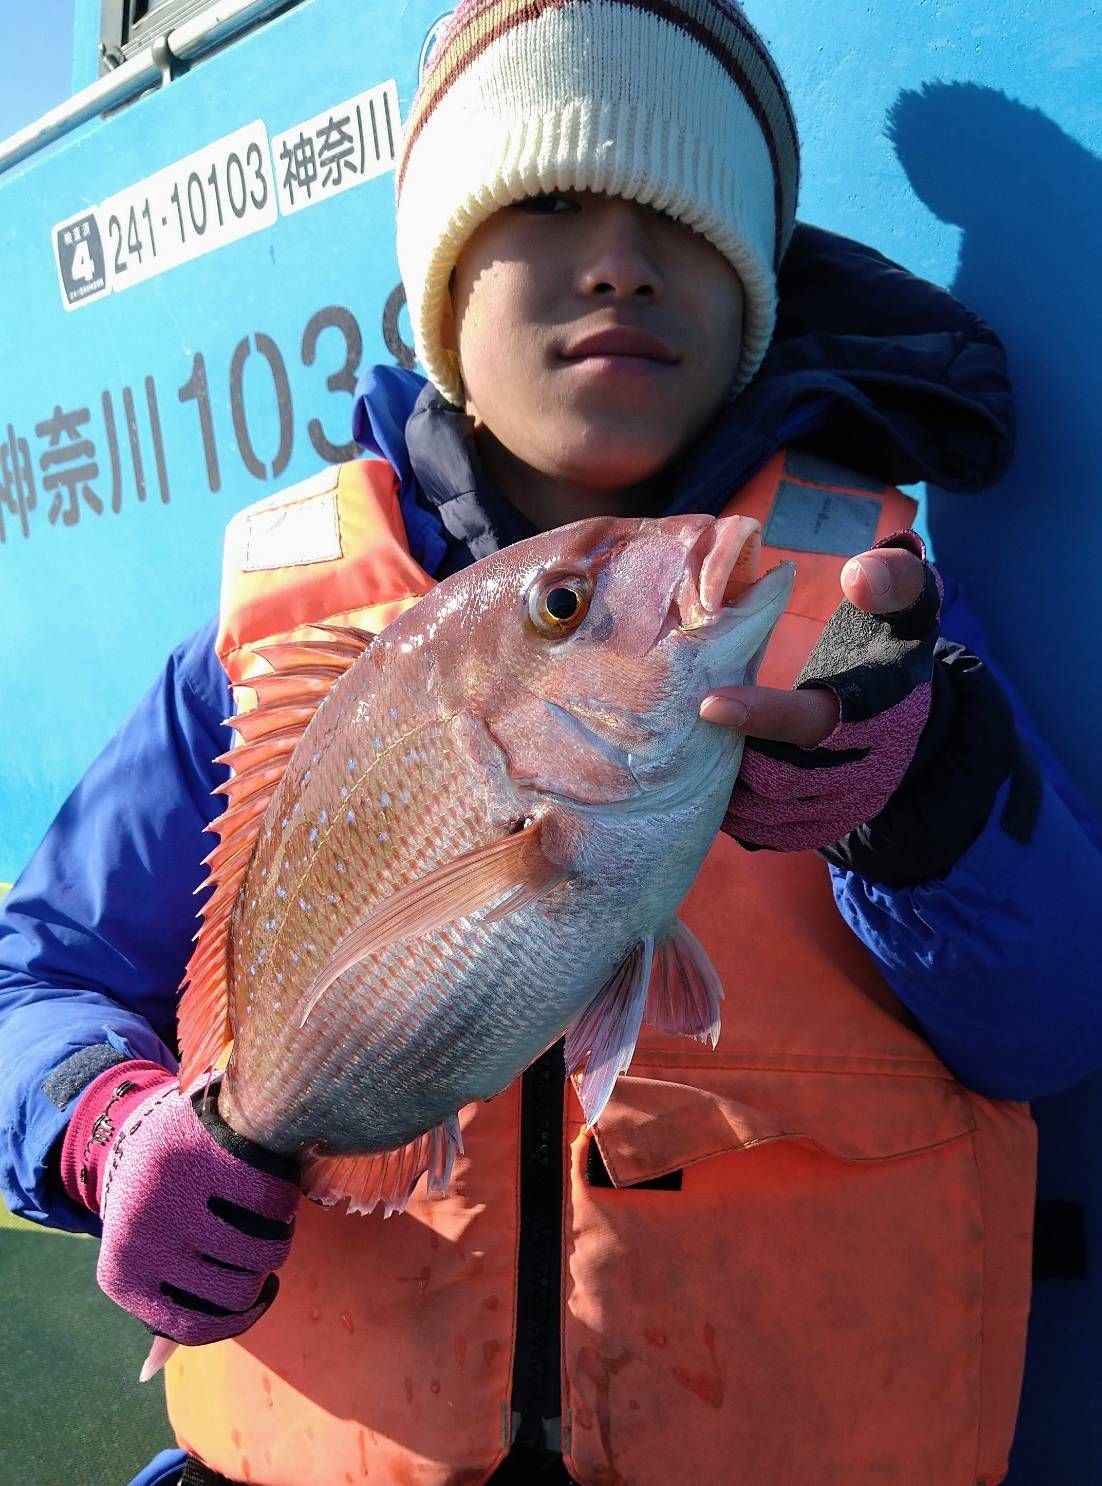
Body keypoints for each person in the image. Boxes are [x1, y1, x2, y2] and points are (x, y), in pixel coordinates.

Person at [2, 1, 1101, 1483]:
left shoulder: (871, 620)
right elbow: (38, 973)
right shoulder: (263, 651)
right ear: (444, 284)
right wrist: (105, 1125)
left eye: (683, 220)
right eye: (546, 203)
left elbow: (1051, 1026)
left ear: (753, 292)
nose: (621, 259)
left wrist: (927, 798)